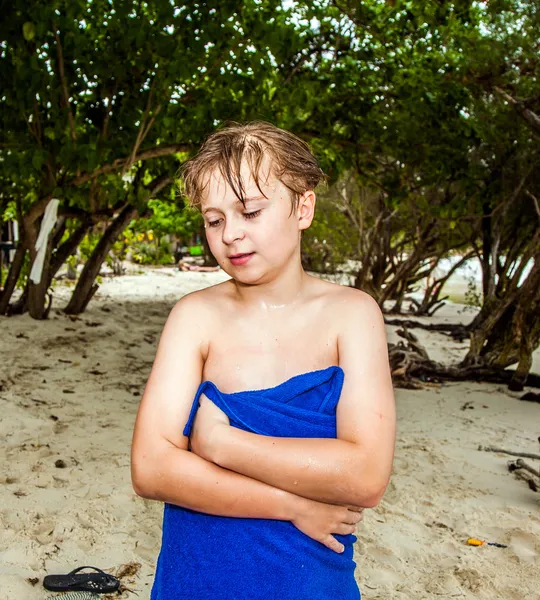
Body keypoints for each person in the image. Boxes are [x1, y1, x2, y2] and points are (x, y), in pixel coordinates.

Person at [130, 121, 396, 599]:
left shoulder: (352, 315)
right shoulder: (194, 318)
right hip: (199, 579)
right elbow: (152, 468)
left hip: (310, 581)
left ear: (303, 206)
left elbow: (365, 476)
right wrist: (292, 505)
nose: (231, 234)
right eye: (214, 220)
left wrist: (221, 445)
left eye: (249, 211)